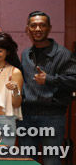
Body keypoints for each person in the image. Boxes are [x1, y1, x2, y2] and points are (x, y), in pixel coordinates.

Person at [18, 11, 76, 164]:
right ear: (27, 29)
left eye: (42, 25)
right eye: (34, 25)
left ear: (49, 28)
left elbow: (74, 80)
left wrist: (49, 79)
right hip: (26, 116)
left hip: (52, 117)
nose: (38, 29)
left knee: (51, 160)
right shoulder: (26, 54)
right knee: (27, 160)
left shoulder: (63, 54)